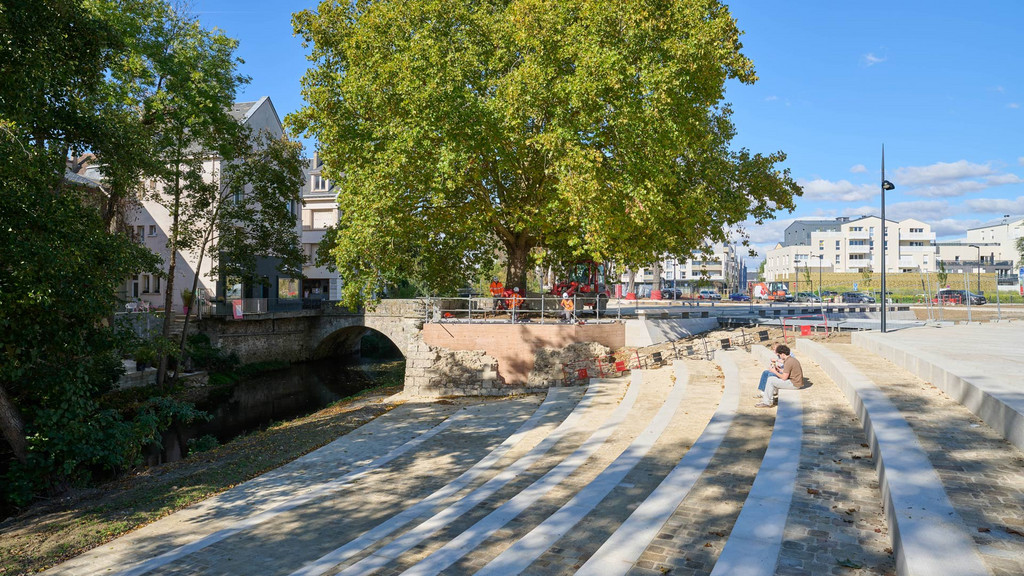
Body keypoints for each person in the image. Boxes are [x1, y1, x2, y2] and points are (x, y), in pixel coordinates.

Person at [756, 344, 804, 408]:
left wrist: (775, 371)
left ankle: (767, 402)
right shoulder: (791, 359)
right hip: (795, 382)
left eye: (779, 355)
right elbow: (787, 371)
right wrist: (779, 370)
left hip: (794, 384)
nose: (779, 356)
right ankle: (769, 398)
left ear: (783, 354)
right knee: (772, 378)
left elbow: (784, 378)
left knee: (771, 379)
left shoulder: (788, 362)